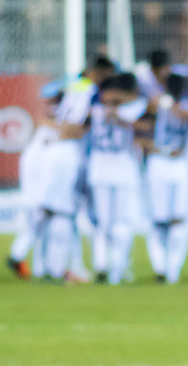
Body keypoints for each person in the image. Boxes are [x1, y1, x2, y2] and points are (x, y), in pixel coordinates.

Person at [35, 55, 115, 283]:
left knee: (57, 210)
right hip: (68, 154)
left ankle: (51, 266)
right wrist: (68, 132)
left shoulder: (74, 86)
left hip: (58, 151)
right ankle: (55, 268)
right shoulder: (90, 91)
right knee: (63, 211)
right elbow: (75, 127)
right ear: (99, 72)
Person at [86, 73, 149, 285]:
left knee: (103, 222)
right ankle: (117, 270)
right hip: (122, 168)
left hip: (99, 167)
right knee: (122, 222)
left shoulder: (94, 109)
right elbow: (142, 103)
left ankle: (101, 264)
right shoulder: (129, 109)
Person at [7, 82, 64, 280]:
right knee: (40, 220)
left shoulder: (47, 122)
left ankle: (36, 264)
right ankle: (18, 254)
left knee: (41, 223)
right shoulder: (55, 122)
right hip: (39, 177)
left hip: (36, 174)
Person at [144, 73, 188, 284]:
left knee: (164, 220)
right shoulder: (182, 107)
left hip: (162, 163)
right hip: (174, 164)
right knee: (171, 219)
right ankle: (167, 269)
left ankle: (164, 268)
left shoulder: (162, 105)